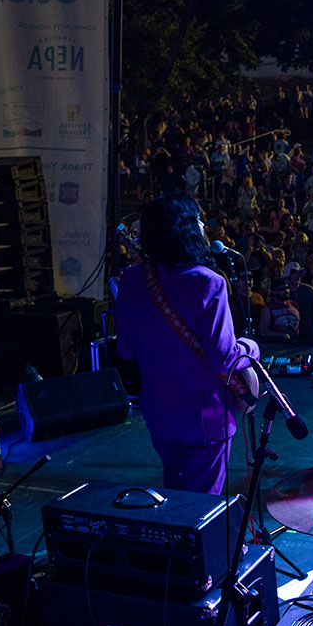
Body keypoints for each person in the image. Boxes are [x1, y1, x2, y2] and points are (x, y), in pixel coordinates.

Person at [116, 195, 258, 494]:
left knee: (174, 499)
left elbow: (125, 351)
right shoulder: (208, 282)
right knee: (200, 509)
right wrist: (250, 347)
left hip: (158, 412)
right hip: (204, 417)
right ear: (187, 229)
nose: (205, 225)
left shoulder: (130, 279)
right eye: (199, 219)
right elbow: (223, 359)